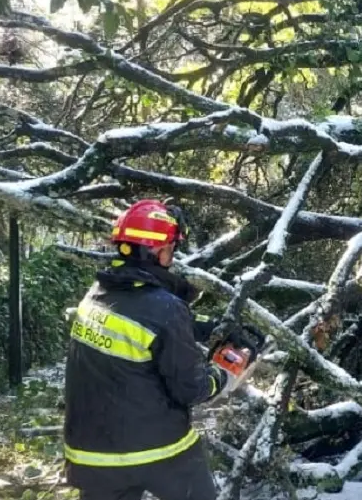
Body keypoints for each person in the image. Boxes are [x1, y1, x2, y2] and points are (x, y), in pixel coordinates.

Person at [62, 199, 255, 500]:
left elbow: (149, 320)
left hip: (90, 454)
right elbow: (192, 389)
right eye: (171, 248)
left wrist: (209, 326)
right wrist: (225, 373)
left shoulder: (98, 294)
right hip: (156, 451)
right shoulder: (165, 309)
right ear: (158, 250)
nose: (172, 255)